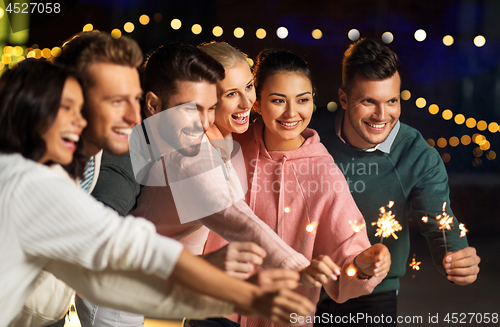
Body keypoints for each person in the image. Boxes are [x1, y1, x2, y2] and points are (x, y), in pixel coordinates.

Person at [1, 59, 316, 327]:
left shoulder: (62, 170)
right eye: (67, 108)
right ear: (29, 113)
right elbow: (124, 243)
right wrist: (242, 293)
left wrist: (235, 297)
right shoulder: (29, 181)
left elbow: (102, 280)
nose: (80, 120)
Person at [203, 49, 392, 327]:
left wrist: (363, 267)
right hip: (211, 310)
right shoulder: (228, 146)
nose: (292, 112)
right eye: (278, 100)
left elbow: (346, 251)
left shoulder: (323, 173)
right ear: (257, 103)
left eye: (302, 100)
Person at [314, 38, 481, 326]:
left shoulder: (418, 156)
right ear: (343, 99)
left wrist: (457, 257)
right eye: (369, 101)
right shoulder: (310, 139)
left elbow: (440, 223)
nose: (382, 115)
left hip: (373, 293)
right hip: (305, 286)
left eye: (392, 101)